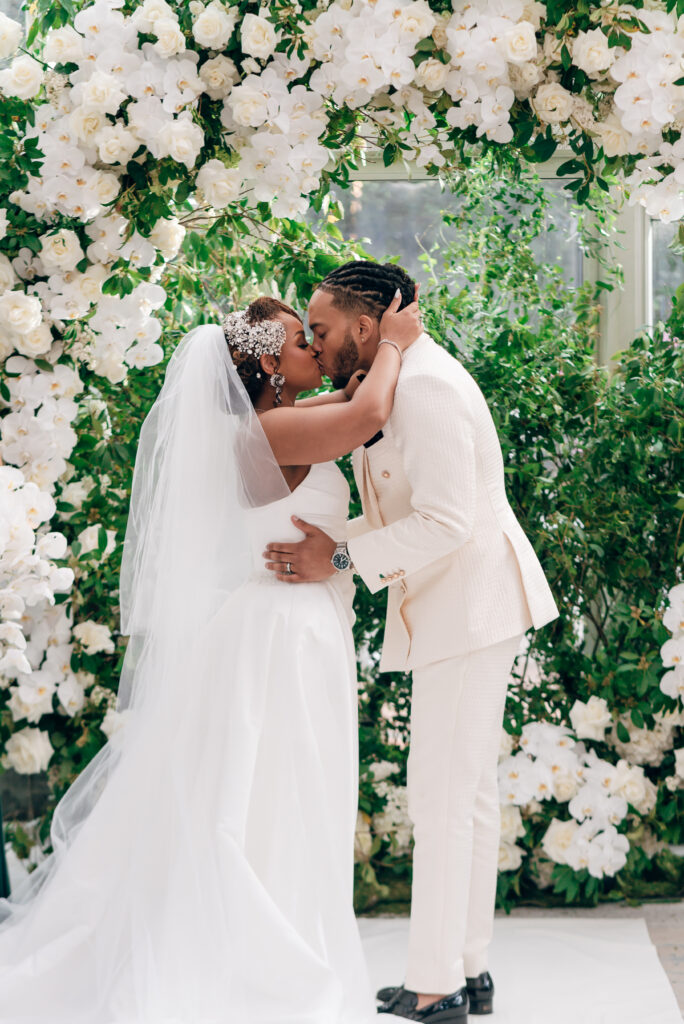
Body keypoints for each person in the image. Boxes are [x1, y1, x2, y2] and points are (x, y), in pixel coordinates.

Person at [0, 290, 422, 1022]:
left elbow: (345, 406)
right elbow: (366, 416)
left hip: (278, 628)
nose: (316, 352)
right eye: (301, 341)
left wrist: (357, 375)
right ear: (265, 362)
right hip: (278, 639)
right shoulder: (263, 434)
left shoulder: (271, 421)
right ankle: (262, 966)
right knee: (277, 797)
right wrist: (394, 342)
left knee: (271, 795)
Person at [263, 260, 561, 1023]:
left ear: (366, 327)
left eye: (322, 329)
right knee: (469, 796)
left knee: (441, 798)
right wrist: (340, 541)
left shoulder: (424, 387)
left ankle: (437, 989)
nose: (317, 342)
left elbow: (445, 521)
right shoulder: (398, 378)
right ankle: (469, 967)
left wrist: (334, 557)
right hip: (464, 605)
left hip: (469, 610)